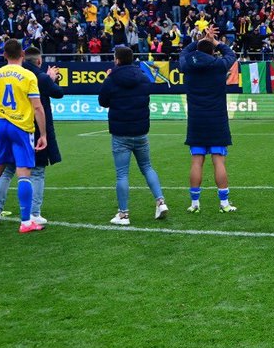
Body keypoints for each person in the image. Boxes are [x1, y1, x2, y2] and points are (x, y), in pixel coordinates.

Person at [0, 40, 48, 233]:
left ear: (4, 55)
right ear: (22, 54)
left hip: (2, 125)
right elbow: (37, 107)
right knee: (24, 174)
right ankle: (25, 222)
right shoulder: (28, 75)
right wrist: (43, 134)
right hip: (21, 127)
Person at [0, 46, 63, 225]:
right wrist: (52, 79)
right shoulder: (39, 77)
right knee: (36, 172)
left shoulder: (6, 74)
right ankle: (33, 213)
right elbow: (57, 94)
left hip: (8, 125)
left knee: (6, 171)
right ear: (39, 61)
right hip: (33, 129)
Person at [98, 46, 170, 224]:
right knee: (147, 167)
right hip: (140, 131)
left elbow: (102, 101)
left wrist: (109, 78)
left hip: (121, 133)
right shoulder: (143, 77)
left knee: (122, 174)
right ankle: (160, 201)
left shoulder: (112, 79)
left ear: (117, 59)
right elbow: (145, 96)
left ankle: (123, 214)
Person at [181, 26, 238, 213]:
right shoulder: (218, 65)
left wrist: (199, 41)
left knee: (197, 161)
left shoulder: (187, 64)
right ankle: (224, 204)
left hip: (196, 120)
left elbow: (184, 51)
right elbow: (231, 54)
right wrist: (216, 41)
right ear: (213, 52)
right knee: (218, 160)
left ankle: (195, 204)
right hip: (217, 119)